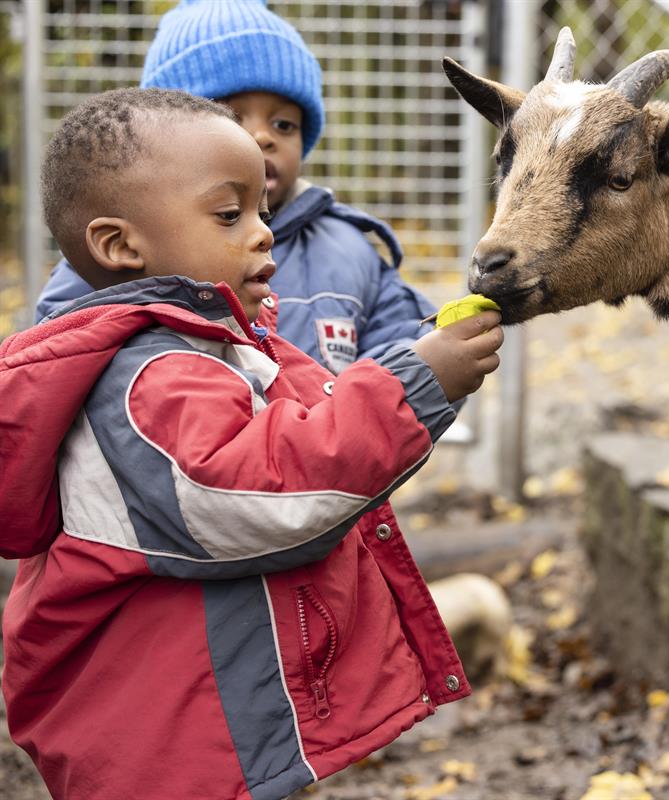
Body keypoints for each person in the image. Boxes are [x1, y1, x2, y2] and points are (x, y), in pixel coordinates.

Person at [0, 88, 502, 800]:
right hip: (161, 756)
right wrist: (414, 387)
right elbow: (270, 491)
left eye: (263, 211)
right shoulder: (144, 378)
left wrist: (423, 375)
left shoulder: (219, 347)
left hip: (211, 739)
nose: (264, 232)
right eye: (230, 214)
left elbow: (320, 420)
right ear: (119, 244)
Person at [35, 0, 434, 375]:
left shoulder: (347, 247)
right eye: (230, 118)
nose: (262, 137)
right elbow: (62, 366)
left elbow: (409, 343)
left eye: (284, 125)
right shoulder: (105, 267)